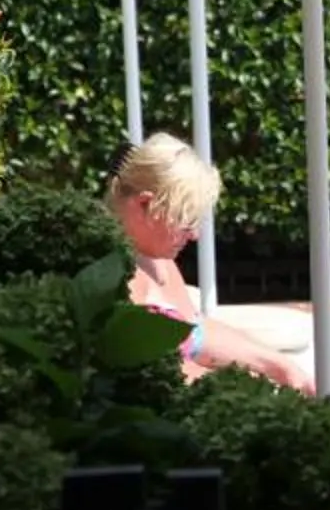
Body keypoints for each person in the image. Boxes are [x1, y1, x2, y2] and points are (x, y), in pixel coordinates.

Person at [104, 134, 314, 392]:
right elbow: (167, 375)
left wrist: (281, 367)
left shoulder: (156, 261)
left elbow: (195, 334)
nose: (194, 235)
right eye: (185, 219)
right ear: (145, 204)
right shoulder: (108, 275)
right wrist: (258, 390)